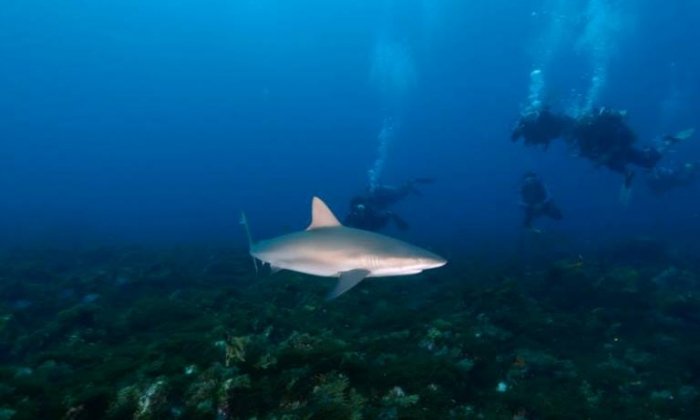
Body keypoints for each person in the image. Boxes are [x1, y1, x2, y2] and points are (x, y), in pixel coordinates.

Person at [344, 178, 434, 231]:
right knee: (397, 195)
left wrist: (394, 217)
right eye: (356, 209)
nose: (358, 212)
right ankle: (408, 185)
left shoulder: (372, 212)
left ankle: (411, 182)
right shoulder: (351, 216)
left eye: (360, 209)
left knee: (399, 194)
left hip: (382, 199)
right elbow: (345, 226)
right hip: (375, 201)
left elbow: (388, 215)